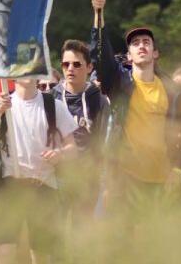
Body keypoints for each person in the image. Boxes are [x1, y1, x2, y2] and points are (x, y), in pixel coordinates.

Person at [89, 0, 181, 214]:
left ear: (155, 53)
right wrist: (99, 16)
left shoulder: (174, 93)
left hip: (162, 181)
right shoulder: (118, 84)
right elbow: (100, 55)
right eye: (135, 43)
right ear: (129, 55)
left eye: (146, 42)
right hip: (125, 179)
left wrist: (179, 170)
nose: (142, 45)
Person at [0, 78, 78, 264]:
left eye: (32, 68)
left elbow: (73, 147)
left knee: (40, 253)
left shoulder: (53, 105)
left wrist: (60, 154)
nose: (27, 73)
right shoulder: (0, 104)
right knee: (5, 250)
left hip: (43, 186)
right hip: (10, 187)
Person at [48, 39, 110, 230]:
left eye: (77, 64)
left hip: (87, 177)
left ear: (89, 67)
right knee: (54, 234)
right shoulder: (51, 98)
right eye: (66, 64)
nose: (70, 69)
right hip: (55, 176)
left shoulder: (99, 100)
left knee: (81, 233)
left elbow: (104, 142)